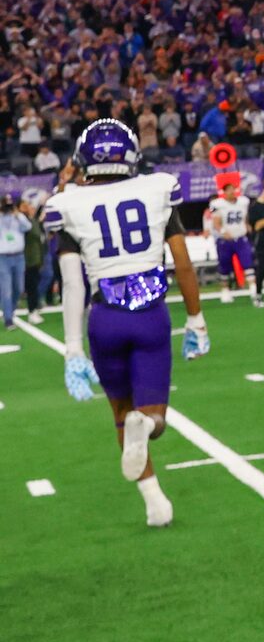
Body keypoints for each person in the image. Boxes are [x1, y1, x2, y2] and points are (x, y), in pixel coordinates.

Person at [43, 122, 209, 528]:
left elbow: (72, 284)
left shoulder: (67, 203)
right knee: (153, 418)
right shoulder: (155, 190)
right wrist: (196, 319)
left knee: (120, 412)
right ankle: (147, 424)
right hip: (150, 315)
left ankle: (155, 503)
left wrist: (72, 348)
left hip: (105, 317)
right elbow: (183, 263)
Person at [204, 176, 260, 306]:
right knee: (225, 267)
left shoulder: (243, 201)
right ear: (223, 192)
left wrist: (247, 226)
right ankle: (225, 290)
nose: (231, 192)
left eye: (232, 189)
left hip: (240, 237)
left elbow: (245, 217)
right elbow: (216, 222)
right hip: (225, 240)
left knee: (248, 263)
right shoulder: (217, 204)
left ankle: (253, 289)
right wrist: (224, 232)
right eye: (228, 190)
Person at [0, 191, 27, 329]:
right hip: (3, 258)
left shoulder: (18, 217)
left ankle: (11, 309)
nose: (8, 208)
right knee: (6, 289)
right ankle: (8, 319)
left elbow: (27, 227)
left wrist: (17, 215)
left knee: (18, 287)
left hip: (19, 256)